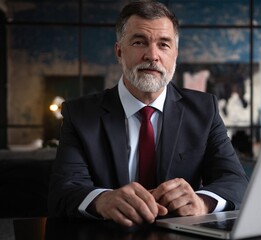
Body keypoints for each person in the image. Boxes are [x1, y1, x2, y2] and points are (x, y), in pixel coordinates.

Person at [48, 0, 249, 227]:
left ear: (175, 54)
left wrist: (202, 202)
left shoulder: (205, 110)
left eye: (164, 44)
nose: (152, 55)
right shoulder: (79, 113)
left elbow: (235, 181)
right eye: (139, 42)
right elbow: (63, 190)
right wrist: (102, 200)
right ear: (119, 52)